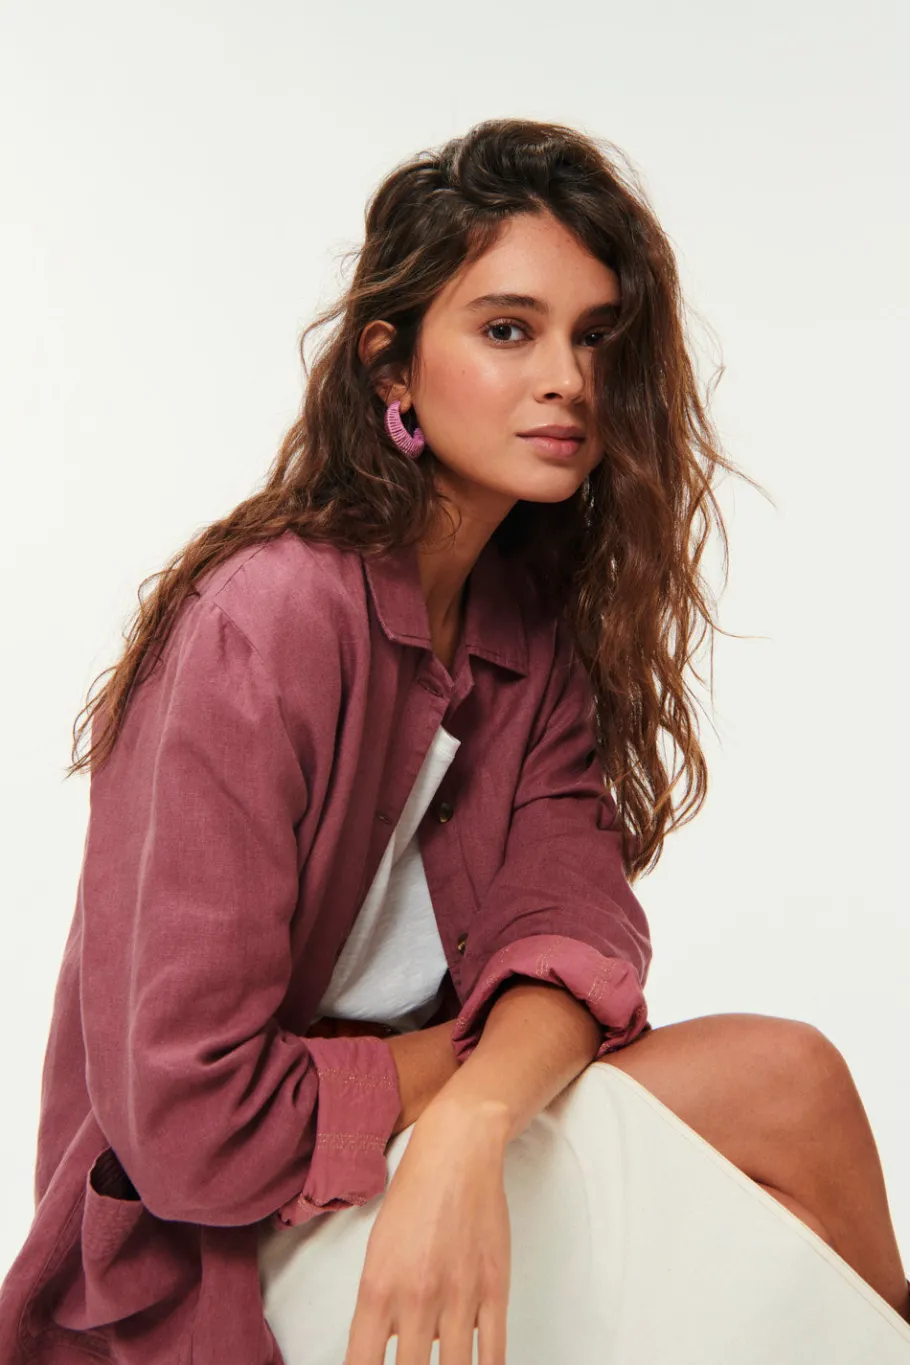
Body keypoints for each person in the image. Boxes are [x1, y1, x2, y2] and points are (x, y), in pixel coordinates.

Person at [1, 116, 908, 1365]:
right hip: (217, 1250)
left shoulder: (523, 632)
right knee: (778, 1096)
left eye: (596, 336)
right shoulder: (261, 624)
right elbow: (189, 1125)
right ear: (391, 367)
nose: (569, 379)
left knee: (779, 1190)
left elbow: (572, 946)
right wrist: (463, 1074)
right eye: (507, 330)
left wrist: (472, 1125)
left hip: (411, 1159)